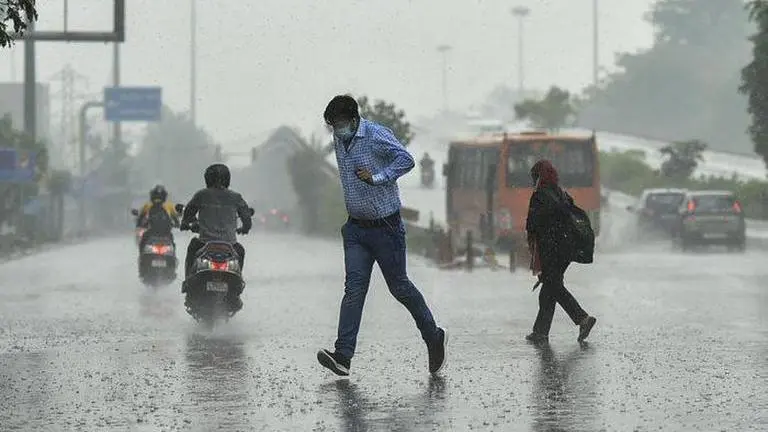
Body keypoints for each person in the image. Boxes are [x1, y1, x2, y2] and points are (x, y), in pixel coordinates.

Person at [316, 95, 447, 377]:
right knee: (354, 290)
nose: (336, 131)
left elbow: (406, 160)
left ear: (353, 120)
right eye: (332, 126)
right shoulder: (340, 140)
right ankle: (343, 356)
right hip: (355, 230)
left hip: (386, 228)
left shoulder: (375, 135)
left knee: (399, 287)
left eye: (339, 124)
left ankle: (433, 337)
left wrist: (377, 177)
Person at [525, 159, 597, 343]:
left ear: (539, 176)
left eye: (534, 176)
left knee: (554, 287)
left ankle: (582, 318)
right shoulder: (561, 194)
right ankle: (540, 332)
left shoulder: (540, 196)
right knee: (549, 289)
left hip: (550, 249)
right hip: (566, 249)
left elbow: (532, 224)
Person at [180, 164, 252, 309]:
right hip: (230, 246)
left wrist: (187, 223)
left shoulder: (201, 195)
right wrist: (244, 228)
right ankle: (236, 289)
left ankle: (188, 283)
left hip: (204, 243)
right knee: (241, 252)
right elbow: (246, 218)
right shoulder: (236, 197)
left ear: (207, 178)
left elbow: (188, 213)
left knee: (192, 247)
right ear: (227, 179)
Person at [136, 185, 179, 251]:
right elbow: (176, 219)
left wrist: (140, 224)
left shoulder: (148, 205)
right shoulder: (169, 205)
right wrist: (177, 224)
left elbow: (140, 218)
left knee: (143, 241)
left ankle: (142, 259)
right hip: (166, 232)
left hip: (152, 232)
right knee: (172, 243)